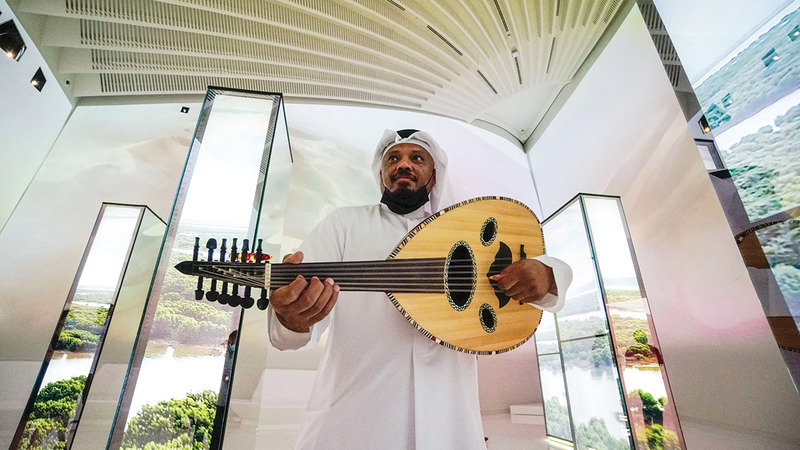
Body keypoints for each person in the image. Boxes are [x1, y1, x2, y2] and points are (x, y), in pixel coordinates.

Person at [267, 129, 572, 449]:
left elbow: (551, 280)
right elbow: (296, 322)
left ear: (434, 174)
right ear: (382, 174)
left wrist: (547, 274)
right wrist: (293, 318)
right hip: (357, 414)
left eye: (417, 158)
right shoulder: (343, 223)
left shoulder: (465, 228)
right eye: (393, 158)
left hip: (448, 416)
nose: (404, 164)